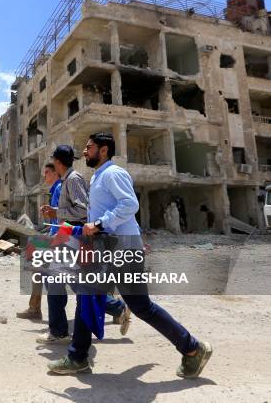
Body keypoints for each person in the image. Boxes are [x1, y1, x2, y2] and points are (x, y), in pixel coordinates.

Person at [47, 132, 212, 378]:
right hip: (110, 249)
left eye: (89, 147)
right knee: (87, 295)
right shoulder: (99, 177)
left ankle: (192, 348)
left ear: (103, 150)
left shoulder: (114, 173)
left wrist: (100, 224)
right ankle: (78, 356)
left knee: (141, 306)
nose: (84, 151)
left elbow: (130, 204)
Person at [36, 146, 130, 344]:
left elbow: (81, 211)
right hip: (68, 240)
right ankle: (116, 308)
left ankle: (60, 332)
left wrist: (57, 214)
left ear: (58, 162)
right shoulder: (67, 179)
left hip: (74, 241)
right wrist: (55, 212)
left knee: (60, 282)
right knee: (75, 285)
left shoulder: (73, 179)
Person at [16, 163, 61, 320]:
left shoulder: (60, 188)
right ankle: (34, 308)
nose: (44, 176)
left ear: (56, 172)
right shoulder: (55, 189)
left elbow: (65, 219)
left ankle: (116, 307)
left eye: (47, 172)